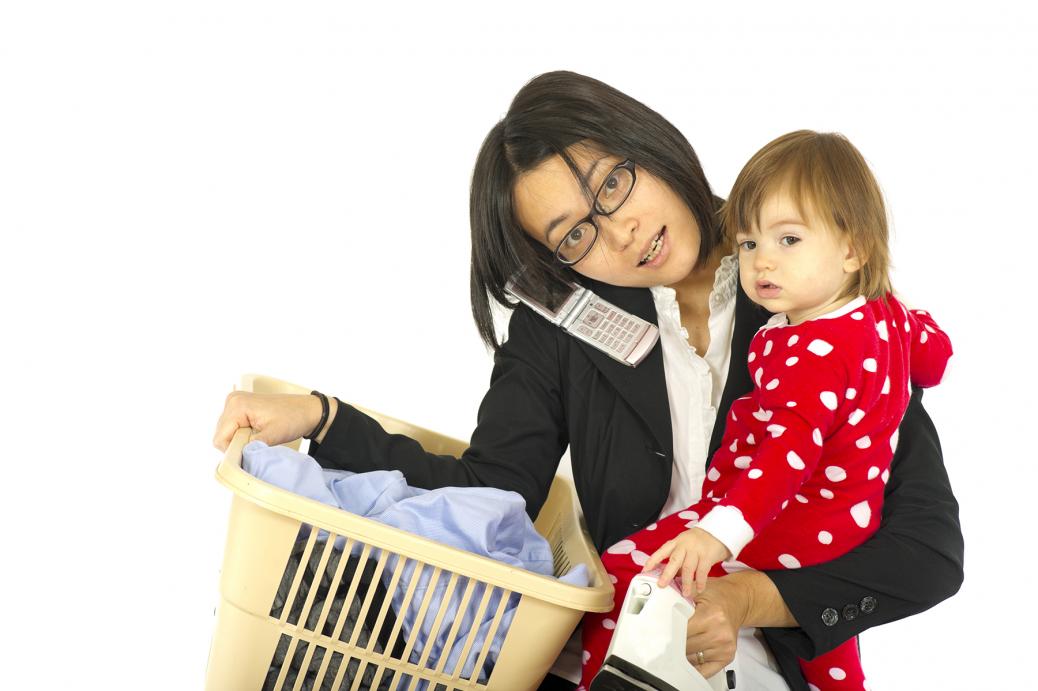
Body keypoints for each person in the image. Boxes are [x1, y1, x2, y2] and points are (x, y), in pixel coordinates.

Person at [212, 71, 963, 690]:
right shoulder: (560, 326)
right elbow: (491, 491)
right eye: (576, 234)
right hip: (600, 653)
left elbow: (927, 553)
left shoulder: (815, 285)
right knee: (319, 633)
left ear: (649, 144)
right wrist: (322, 418)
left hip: (752, 657)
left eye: (614, 185)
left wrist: (747, 598)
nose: (621, 233)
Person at [580, 130, 953, 691]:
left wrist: (717, 534)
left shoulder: (813, 353)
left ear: (853, 249)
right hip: (843, 532)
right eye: (750, 244)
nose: (762, 263)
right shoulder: (887, 316)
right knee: (832, 665)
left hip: (789, 523)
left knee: (623, 575)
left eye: (789, 240)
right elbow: (935, 354)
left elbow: (787, 454)